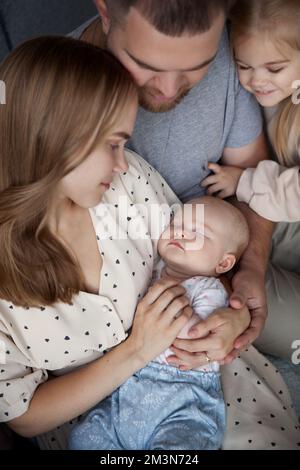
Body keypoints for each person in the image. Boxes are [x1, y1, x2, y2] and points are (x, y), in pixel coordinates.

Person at [0, 36, 299, 451]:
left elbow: (196, 257)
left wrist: (227, 317)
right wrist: (137, 351)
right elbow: (22, 415)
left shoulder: (126, 185)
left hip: (194, 378)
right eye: (112, 145)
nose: (124, 161)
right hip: (94, 418)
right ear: (51, 138)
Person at [71, 0, 274, 368]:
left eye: (197, 68)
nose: (168, 88)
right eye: (146, 66)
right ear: (104, 12)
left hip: (227, 250)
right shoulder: (50, 92)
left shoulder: (227, 54)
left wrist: (250, 270)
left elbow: (255, 175)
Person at [68, 196, 249, 450]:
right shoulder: (151, 268)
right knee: (84, 438)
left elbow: (195, 336)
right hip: (129, 394)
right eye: (176, 223)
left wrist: (164, 296)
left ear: (223, 263)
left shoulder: (209, 289)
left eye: (197, 233)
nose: (181, 232)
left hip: (183, 396)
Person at [202, 0, 300, 358]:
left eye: (274, 68)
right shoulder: (274, 91)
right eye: (244, 66)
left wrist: (245, 181)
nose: (256, 80)